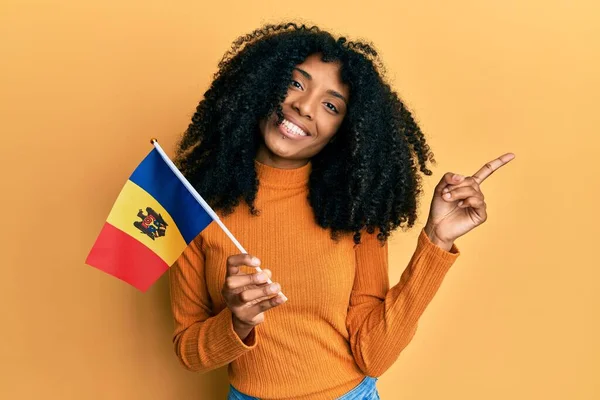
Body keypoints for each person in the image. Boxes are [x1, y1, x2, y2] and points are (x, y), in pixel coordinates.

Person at [168, 22, 515, 400]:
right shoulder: (195, 206)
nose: (303, 106)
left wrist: (436, 241)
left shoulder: (351, 210)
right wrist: (236, 322)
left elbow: (375, 356)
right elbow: (189, 351)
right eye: (296, 83)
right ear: (261, 84)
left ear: (343, 130)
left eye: (331, 105)